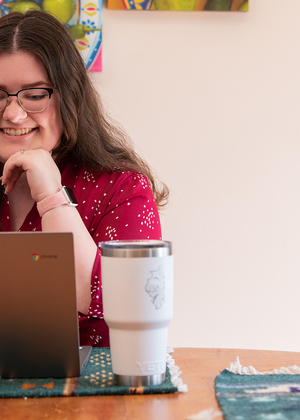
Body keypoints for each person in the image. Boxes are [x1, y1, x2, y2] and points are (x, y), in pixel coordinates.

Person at [0, 10, 168, 347]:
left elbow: (131, 310)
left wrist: (52, 197)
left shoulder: (123, 189)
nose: (13, 113)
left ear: (69, 97)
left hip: (97, 393)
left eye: (35, 96)